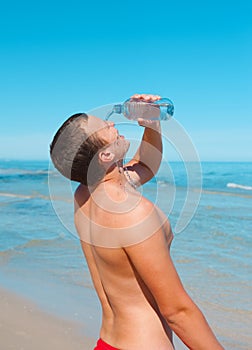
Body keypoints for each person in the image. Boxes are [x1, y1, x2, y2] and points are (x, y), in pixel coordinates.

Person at [50, 94, 224, 350]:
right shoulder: (133, 214)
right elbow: (177, 312)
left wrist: (152, 124)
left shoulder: (85, 196)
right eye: (105, 127)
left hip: (107, 342)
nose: (112, 124)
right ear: (106, 155)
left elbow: (144, 165)